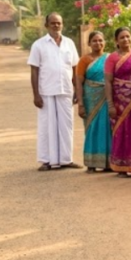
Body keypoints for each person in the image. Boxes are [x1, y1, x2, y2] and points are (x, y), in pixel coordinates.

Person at [28, 13, 80, 171]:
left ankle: (66, 159)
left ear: (62, 25)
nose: (56, 26)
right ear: (46, 26)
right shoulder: (39, 45)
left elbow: (75, 68)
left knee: (67, 126)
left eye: (59, 23)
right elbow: (34, 71)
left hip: (66, 90)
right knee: (47, 126)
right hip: (46, 91)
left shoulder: (69, 43)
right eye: (53, 23)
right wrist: (36, 94)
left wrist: (77, 89)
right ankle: (46, 160)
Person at [106, 27, 131, 176]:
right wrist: (110, 104)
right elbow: (108, 81)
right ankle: (122, 166)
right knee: (121, 130)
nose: (126, 40)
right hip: (119, 100)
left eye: (128, 36)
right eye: (122, 37)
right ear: (116, 41)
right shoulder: (112, 58)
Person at [77, 30, 110, 172]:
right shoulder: (84, 60)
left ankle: (107, 162)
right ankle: (91, 163)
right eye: (94, 41)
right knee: (92, 128)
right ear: (89, 43)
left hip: (107, 98)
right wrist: (80, 104)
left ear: (105, 42)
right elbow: (78, 83)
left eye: (100, 40)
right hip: (90, 98)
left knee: (106, 128)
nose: (98, 43)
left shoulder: (110, 58)